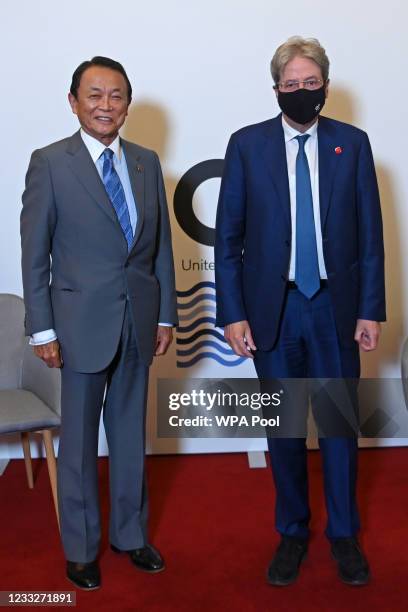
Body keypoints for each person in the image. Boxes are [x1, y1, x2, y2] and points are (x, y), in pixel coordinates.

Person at [215, 37, 385, 586]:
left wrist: (369, 309)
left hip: (335, 307)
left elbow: (370, 237)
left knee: (338, 427)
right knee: (283, 431)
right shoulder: (247, 145)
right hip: (275, 311)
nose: (302, 92)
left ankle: (344, 536)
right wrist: (234, 313)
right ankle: (291, 530)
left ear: (326, 87)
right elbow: (229, 239)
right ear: (276, 90)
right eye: (292, 84)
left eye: (312, 83)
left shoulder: (352, 144)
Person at [20, 56, 178, 590]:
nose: (105, 105)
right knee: (81, 442)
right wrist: (42, 330)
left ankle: (130, 536)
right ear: (73, 102)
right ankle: (81, 547)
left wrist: (166, 316)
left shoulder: (146, 161)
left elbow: (158, 249)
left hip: (139, 321)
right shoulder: (50, 163)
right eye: (94, 95)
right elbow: (33, 253)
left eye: (116, 96)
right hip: (77, 327)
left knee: (131, 437)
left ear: (127, 105)